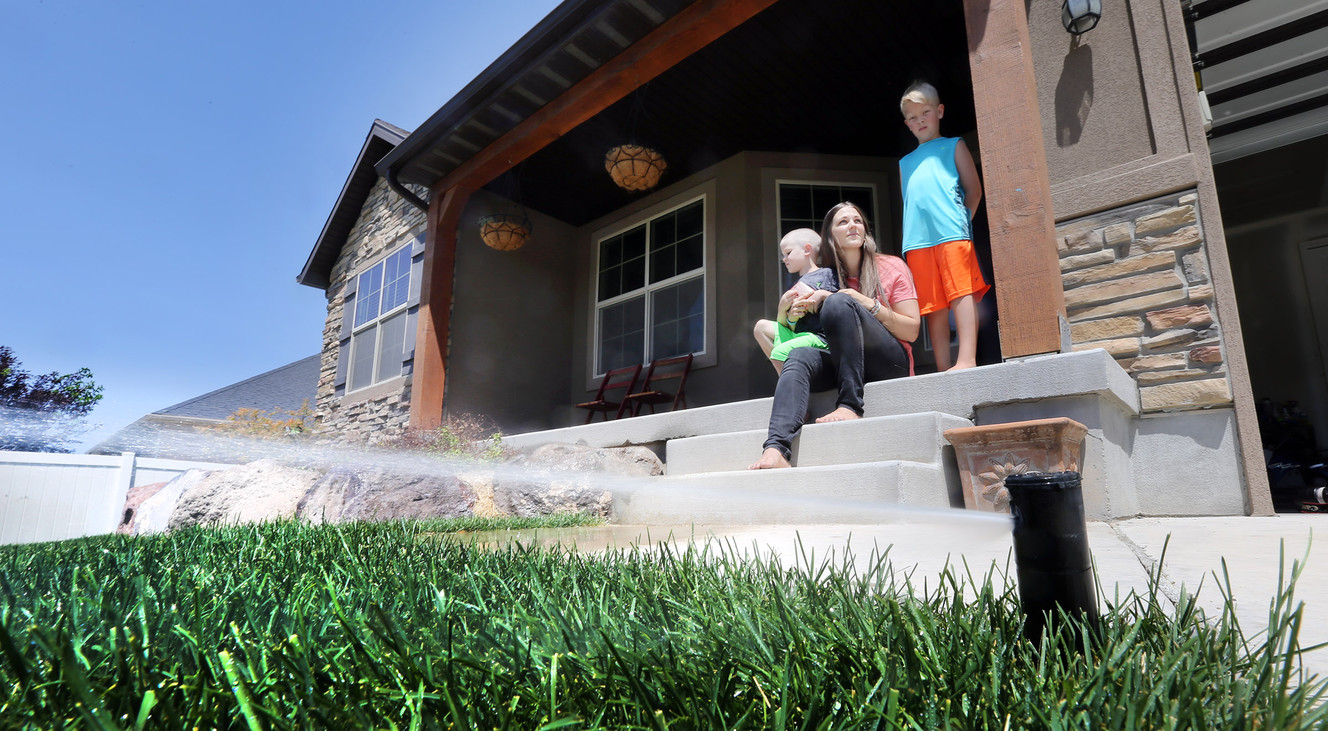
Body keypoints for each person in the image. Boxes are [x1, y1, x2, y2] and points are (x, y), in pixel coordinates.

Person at [748, 202, 920, 470]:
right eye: (843, 222)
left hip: (887, 361)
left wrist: (861, 302)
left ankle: (850, 405)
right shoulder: (823, 276)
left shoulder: (890, 266)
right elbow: (797, 329)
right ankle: (776, 448)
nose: (852, 225)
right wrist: (788, 309)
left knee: (839, 303)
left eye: (858, 220)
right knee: (799, 353)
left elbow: (912, 330)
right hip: (840, 361)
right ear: (829, 235)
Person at [898, 80, 990, 372]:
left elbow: (974, 191)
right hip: (917, 242)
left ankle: (966, 360)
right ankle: (942, 365)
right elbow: (909, 201)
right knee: (932, 305)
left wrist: (961, 222)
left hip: (952, 234)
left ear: (939, 111)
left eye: (924, 112)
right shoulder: (905, 162)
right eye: (912, 117)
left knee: (961, 293)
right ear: (907, 124)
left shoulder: (954, 145)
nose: (919, 120)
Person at [753, 228, 839, 374]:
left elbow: (839, 301)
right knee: (760, 327)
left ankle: (789, 381)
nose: (784, 258)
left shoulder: (826, 274)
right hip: (799, 335)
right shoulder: (794, 286)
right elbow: (789, 326)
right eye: (783, 255)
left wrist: (820, 295)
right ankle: (793, 373)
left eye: (788, 253)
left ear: (807, 250)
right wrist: (783, 310)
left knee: (779, 352)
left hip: (818, 338)